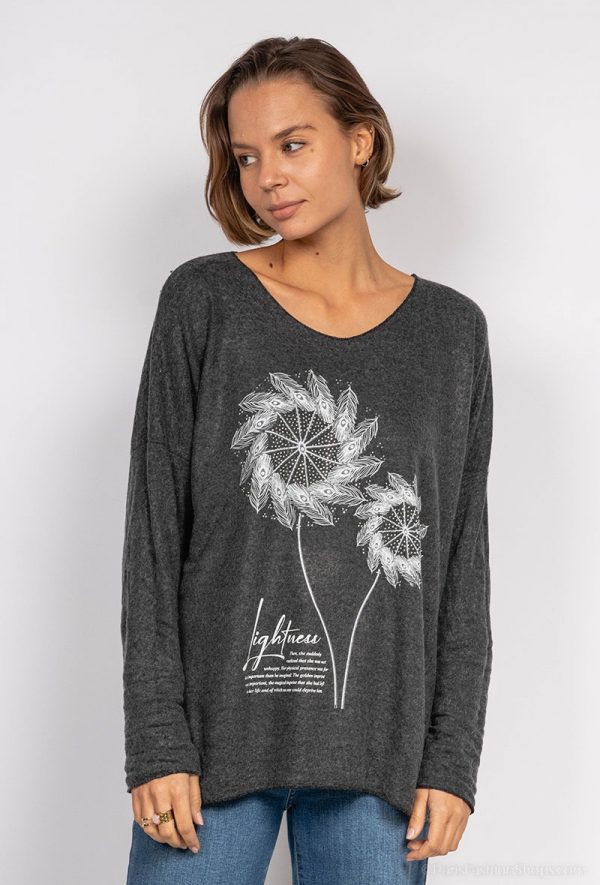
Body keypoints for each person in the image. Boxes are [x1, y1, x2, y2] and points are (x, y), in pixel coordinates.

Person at [121, 35, 494, 885]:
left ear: (360, 140)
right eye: (247, 156)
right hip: (210, 751)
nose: (267, 178)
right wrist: (157, 739)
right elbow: (152, 536)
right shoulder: (204, 301)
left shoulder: (452, 333)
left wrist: (452, 757)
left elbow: (461, 562)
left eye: (293, 144)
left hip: (381, 758)